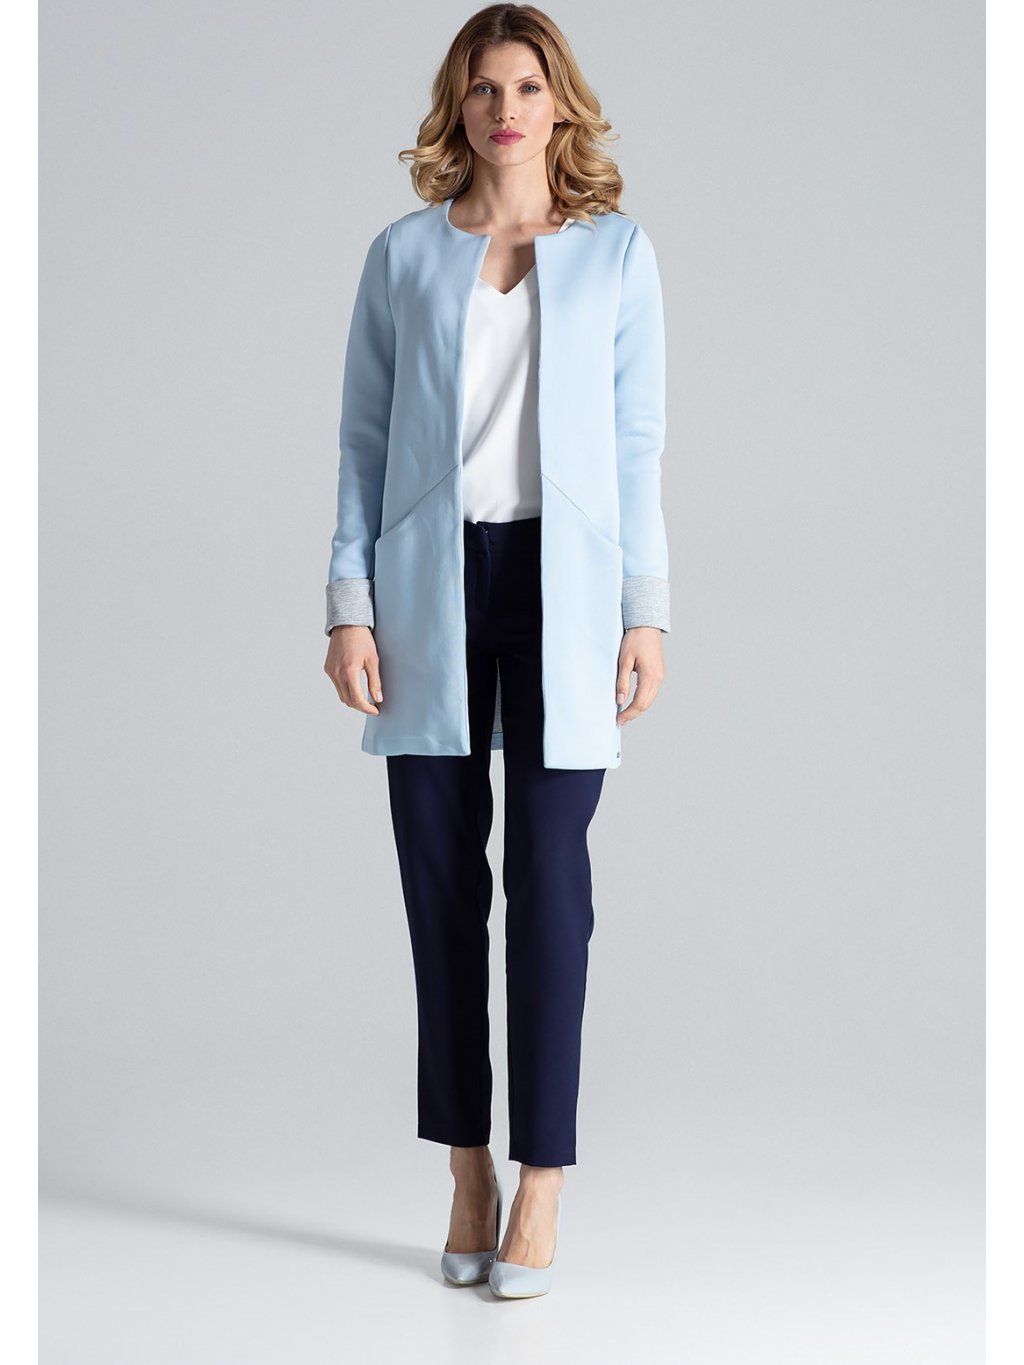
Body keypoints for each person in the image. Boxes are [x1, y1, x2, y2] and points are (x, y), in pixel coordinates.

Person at [323, 4, 670, 1299]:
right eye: (483, 88)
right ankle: (467, 1166)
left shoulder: (616, 254)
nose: (505, 109)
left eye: (527, 86)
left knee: (550, 884)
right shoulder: (404, 255)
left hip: (563, 588)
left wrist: (646, 607)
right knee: (438, 886)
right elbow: (362, 442)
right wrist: (349, 602)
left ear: (559, 102)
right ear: (457, 108)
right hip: (431, 581)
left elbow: (637, 444)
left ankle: (544, 1179)